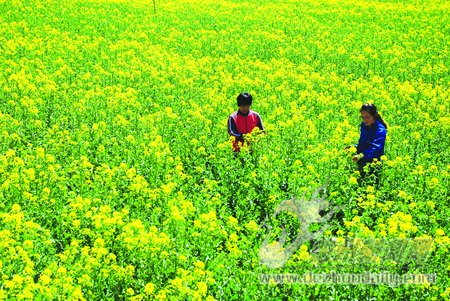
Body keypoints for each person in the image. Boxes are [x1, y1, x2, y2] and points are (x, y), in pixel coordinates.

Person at [345, 103, 387, 185]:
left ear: (374, 115)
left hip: (373, 167)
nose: (365, 120)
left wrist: (361, 155)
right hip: (361, 163)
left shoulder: (380, 130)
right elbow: (362, 142)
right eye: (363, 118)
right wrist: (354, 147)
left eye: (367, 117)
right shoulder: (364, 126)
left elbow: (375, 149)